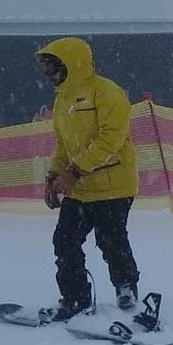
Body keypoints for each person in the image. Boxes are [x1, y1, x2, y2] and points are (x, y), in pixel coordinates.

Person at [37, 37, 142, 319]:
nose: (48, 76)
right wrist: (52, 176)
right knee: (65, 241)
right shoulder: (62, 100)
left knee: (111, 240)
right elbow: (63, 143)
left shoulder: (107, 92)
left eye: (52, 69)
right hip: (80, 189)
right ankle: (76, 299)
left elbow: (112, 139)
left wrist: (73, 172)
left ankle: (126, 287)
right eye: (45, 71)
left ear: (70, 64)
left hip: (114, 185)